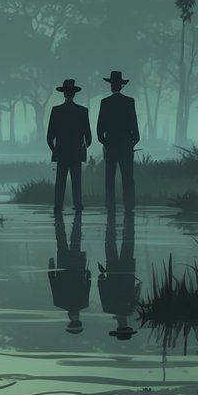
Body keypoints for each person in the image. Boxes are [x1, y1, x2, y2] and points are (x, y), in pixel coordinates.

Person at [45, 79, 91, 213]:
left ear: (64, 94)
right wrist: (82, 148)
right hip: (76, 153)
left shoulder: (56, 111)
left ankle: (58, 206)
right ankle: (78, 204)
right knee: (77, 181)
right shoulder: (82, 111)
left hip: (62, 153)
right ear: (74, 94)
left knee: (60, 181)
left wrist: (55, 150)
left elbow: (49, 136)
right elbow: (88, 137)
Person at [96, 70, 139, 211]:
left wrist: (106, 143)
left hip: (111, 146)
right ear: (121, 86)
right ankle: (129, 204)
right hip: (126, 146)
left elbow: (99, 130)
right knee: (128, 177)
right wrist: (131, 143)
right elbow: (135, 130)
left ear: (111, 85)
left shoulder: (105, 103)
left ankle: (110, 204)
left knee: (110, 177)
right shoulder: (129, 102)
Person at [97, 208, 139, 341]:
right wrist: (102, 276)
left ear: (125, 324)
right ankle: (111, 218)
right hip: (113, 270)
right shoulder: (108, 308)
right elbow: (101, 285)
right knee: (110, 243)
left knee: (128, 240)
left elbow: (136, 290)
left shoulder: (131, 309)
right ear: (118, 326)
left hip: (127, 270)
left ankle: (127, 217)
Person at [47, 209, 90, 334]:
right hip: (64, 265)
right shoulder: (59, 303)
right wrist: (51, 265)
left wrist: (88, 273)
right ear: (69, 320)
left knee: (76, 238)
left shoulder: (84, 303)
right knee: (61, 239)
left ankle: (77, 216)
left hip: (77, 265)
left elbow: (88, 281)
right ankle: (59, 218)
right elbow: (52, 280)